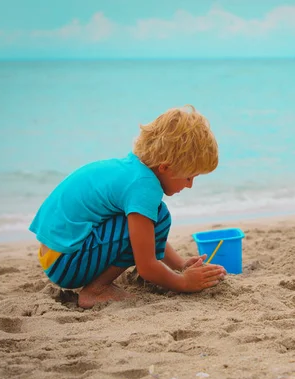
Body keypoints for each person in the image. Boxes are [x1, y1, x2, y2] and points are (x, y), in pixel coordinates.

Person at [30, 105, 226, 308]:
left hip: (56, 256)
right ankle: (96, 289)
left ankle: (102, 283)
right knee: (160, 216)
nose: (190, 185)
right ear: (165, 167)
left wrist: (179, 265)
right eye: (189, 176)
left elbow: (144, 234)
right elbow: (147, 265)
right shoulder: (143, 186)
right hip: (67, 264)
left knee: (153, 218)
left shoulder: (132, 168)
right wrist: (184, 282)